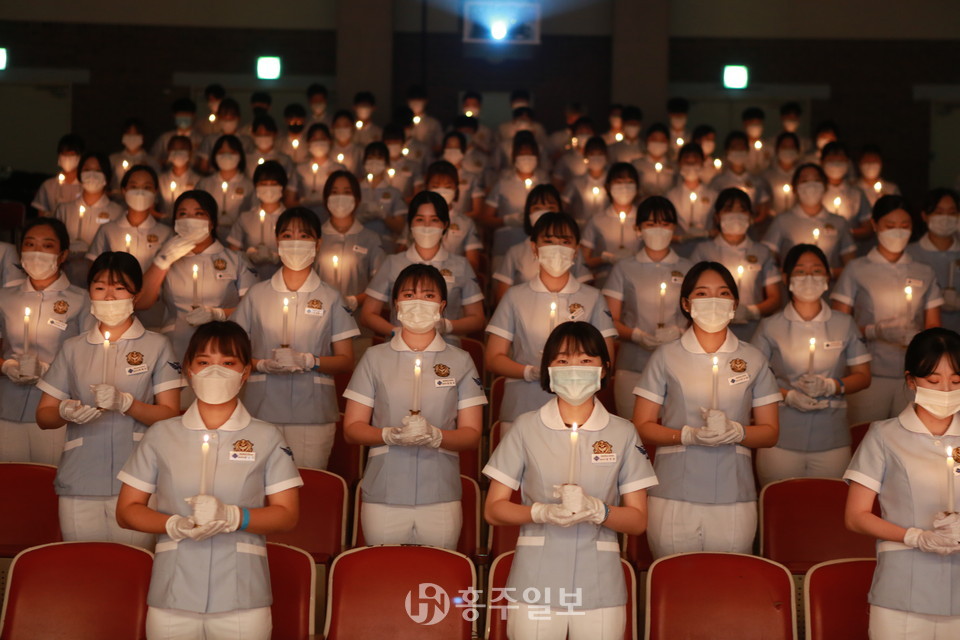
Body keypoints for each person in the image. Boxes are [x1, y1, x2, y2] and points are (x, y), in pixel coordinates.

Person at [116, 321, 302, 640]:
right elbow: (127, 510)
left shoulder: (267, 436)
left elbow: (287, 514)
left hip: (243, 597)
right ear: (188, 370)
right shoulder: (161, 434)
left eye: (228, 363)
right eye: (204, 362)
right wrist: (172, 524)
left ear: (245, 373)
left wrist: (234, 516)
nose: (215, 372)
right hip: (172, 595)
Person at [483, 321, 656, 639]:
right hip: (535, 581)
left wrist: (598, 511)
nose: (574, 368)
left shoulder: (622, 432)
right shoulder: (525, 427)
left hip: (600, 584)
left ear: (604, 369)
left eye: (586, 360)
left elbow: (638, 520)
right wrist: (541, 512)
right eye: (563, 360)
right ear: (548, 368)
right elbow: (493, 509)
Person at [632, 261, 780, 558]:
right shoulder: (666, 356)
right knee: (674, 583)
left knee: (727, 587)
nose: (713, 301)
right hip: (674, 492)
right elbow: (642, 424)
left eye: (723, 293)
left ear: (735, 303)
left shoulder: (753, 358)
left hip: (734, 494)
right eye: (702, 293)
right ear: (686, 303)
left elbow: (770, 433)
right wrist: (687, 436)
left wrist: (737, 431)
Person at [35, 252, 183, 545]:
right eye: (100, 287)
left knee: (131, 567)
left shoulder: (156, 346)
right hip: (80, 476)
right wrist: (64, 411)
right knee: (83, 566)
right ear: (89, 291)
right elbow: (44, 416)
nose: (109, 295)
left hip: (137, 477)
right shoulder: (73, 348)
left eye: (119, 287)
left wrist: (127, 404)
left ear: (136, 294)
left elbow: (170, 414)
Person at [343, 263, 486, 548]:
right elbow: (352, 429)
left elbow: (471, 433)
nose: (418, 302)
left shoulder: (460, 360)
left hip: (441, 493)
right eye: (409, 294)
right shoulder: (375, 358)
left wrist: (437, 436)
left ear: (442, 306)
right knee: (385, 577)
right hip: (384, 490)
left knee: (438, 580)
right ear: (396, 304)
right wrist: (389, 435)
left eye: (428, 296)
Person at [844, 328, 960, 640]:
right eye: (934, 381)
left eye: (956, 381)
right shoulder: (884, 436)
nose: (946, 389)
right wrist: (915, 536)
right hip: (902, 590)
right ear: (911, 381)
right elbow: (856, 516)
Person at [232, 207, 358, 469]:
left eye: (304, 236)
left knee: (308, 486)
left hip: (312, 413)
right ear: (277, 242)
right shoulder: (256, 295)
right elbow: (235, 354)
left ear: (318, 244)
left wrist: (310, 360)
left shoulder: (331, 297)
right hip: (262, 408)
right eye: (287, 235)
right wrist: (261, 364)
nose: (295, 242)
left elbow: (346, 360)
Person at [752, 244, 872, 486]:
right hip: (781, 435)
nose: (809, 278)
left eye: (817, 270)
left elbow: (863, 376)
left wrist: (831, 385)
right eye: (800, 271)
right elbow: (753, 379)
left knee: (827, 508)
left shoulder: (844, 323)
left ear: (828, 277)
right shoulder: (770, 326)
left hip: (832, 438)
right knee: (780, 505)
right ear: (786, 278)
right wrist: (787, 395)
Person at [486, 212, 617, 433]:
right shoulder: (515, 296)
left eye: (565, 242)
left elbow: (607, 359)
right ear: (534, 248)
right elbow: (493, 358)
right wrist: (530, 371)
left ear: (576, 250)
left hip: (578, 409)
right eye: (549, 241)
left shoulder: (593, 297)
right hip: (522, 403)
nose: (557, 248)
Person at [832, 195, 944, 424]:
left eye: (905, 226)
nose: (898, 232)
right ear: (874, 225)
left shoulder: (923, 271)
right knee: (865, 436)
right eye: (890, 226)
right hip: (867, 373)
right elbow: (838, 325)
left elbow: (934, 326)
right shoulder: (857, 269)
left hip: (912, 374)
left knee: (908, 438)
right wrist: (874, 331)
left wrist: (920, 338)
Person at [0, 218, 91, 464]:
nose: (37, 252)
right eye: (30, 244)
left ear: (63, 255)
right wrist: (5, 366)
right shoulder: (4, 297)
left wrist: (50, 372)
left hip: (56, 408)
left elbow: (91, 358)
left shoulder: (82, 300)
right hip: (6, 405)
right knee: (9, 484)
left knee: (51, 481)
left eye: (47, 246)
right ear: (20, 253)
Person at [138, 190, 257, 369]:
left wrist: (218, 314)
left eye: (199, 214)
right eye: (183, 214)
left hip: (221, 347)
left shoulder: (236, 260)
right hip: (175, 347)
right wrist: (162, 261)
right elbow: (142, 302)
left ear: (212, 222)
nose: (190, 219)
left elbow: (252, 310)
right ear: (175, 222)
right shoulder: (168, 259)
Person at [603, 196, 691, 417]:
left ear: (674, 228)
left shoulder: (689, 268)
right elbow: (608, 319)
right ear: (638, 229)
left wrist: (681, 332)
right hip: (633, 363)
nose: (658, 230)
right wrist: (636, 335)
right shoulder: (624, 268)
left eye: (665, 224)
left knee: (672, 432)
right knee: (633, 432)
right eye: (651, 224)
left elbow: (700, 317)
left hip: (679, 364)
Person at [360, 191, 485, 347]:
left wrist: (447, 326)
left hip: (446, 348)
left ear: (445, 224)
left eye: (434, 220)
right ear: (410, 224)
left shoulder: (461, 265)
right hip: (399, 347)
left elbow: (477, 318)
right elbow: (367, 315)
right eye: (420, 219)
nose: (426, 226)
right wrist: (395, 331)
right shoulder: (393, 263)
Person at [690, 188, 782, 341]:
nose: (735, 215)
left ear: (751, 217)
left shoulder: (762, 252)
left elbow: (775, 299)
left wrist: (751, 311)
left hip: (753, 331)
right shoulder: (703, 251)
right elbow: (691, 294)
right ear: (717, 217)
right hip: (711, 331)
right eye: (728, 210)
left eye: (742, 210)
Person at [493, 185, 593, 305]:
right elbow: (502, 299)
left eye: (550, 207)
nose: (544, 213)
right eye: (537, 208)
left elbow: (586, 294)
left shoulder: (571, 251)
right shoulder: (515, 252)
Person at [763, 163, 856, 277]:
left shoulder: (839, 222)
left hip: (830, 291)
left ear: (825, 186)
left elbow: (851, 265)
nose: (811, 186)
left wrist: (826, 273)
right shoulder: (782, 221)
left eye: (816, 180)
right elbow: (766, 260)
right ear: (794, 187)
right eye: (804, 181)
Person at [314, 171, 386, 316]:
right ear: (326, 199)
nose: (340, 198)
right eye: (334, 192)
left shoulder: (371, 239)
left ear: (357, 199)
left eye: (347, 192)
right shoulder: (315, 237)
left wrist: (355, 301)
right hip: (320, 316)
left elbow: (381, 285)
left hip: (358, 322)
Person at [87, 164, 173, 275]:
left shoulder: (165, 233)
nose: (140, 192)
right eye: (134, 187)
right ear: (123, 191)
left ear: (155, 192)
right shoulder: (108, 230)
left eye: (147, 187)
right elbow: (93, 267)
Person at [55, 151, 123, 286]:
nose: (92, 174)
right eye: (87, 169)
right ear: (80, 174)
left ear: (107, 176)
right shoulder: (64, 209)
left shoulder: (117, 212)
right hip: (67, 277)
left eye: (98, 170)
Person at [481, 130, 551, 260]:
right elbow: (485, 219)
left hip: (538, 252)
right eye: (522, 155)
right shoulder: (503, 184)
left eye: (530, 154)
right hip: (505, 247)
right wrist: (507, 220)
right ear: (514, 157)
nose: (526, 158)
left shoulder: (544, 187)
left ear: (538, 157)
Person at [581, 162, 643, 283]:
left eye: (629, 182)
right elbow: (584, 260)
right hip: (605, 281)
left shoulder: (644, 220)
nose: (624, 187)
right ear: (608, 186)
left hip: (637, 279)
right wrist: (605, 258)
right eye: (619, 182)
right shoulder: (597, 220)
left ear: (637, 187)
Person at [907, 189, 960, 332]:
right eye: (939, 212)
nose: (946, 218)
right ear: (925, 215)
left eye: (952, 212)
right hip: (922, 337)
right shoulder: (909, 254)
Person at [226, 161, 288, 281]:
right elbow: (232, 255)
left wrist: (277, 257)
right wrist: (247, 255)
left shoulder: (291, 219)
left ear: (283, 187)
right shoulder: (245, 218)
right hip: (251, 280)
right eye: (264, 184)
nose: (269, 188)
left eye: (274, 184)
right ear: (256, 187)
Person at [423, 160, 483, 272]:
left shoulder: (466, 223)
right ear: (427, 187)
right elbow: (403, 253)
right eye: (436, 186)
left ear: (456, 188)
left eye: (447, 187)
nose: (442, 191)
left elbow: (473, 263)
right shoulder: (417, 220)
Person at [196, 134, 255, 236]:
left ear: (240, 156)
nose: (226, 156)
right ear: (214, 156)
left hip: (239, 236)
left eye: (232, 152)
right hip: (208, 235)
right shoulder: (204, 184)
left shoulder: (248, 185)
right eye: (222, 152)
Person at [666, 143, 720, 255]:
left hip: (706, 251)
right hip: (680, 251)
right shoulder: (671, 196)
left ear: (703, 163)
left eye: (695, 161)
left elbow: (718, 228)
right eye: (687, 162)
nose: (691, 165)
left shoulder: (713, 195)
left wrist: (706, 233)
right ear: (679, 163)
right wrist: (680, 238)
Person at [709, 131, 772, 222]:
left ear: (747, 150)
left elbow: (763, 208)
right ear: (727, 151)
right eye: (734, 148)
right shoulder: (718, 182)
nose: (738, 151)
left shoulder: (757, 181)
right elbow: (712, 209)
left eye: (741, 148)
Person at [820, 141, 872, 240]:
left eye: (840, 160)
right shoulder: (815, 192)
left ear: (848, 163)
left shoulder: (857, 193)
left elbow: (868, 229)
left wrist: (845, 233)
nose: (836, 164)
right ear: (822, 162)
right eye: (831, 160)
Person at [294, 123, 346, 208]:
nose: (318, 142)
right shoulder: (300, 169)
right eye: (314, 139)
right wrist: (303, 202)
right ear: (308, 143)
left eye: (322, 138)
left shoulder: (339, 168)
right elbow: (289, 200)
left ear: (330, 141)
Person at [562, 136, 610, 227]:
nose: (596, 158)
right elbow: (563, 204)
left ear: (606, 156)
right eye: (592, 154)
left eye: (600, 154)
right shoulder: (576, 182)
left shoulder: (612, 182)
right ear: (585, 157)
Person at [32, 134, 84, 217]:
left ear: (80, 157)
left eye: (71, 155)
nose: (67, 158)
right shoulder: (48, 185)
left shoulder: (86, 186)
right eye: (64, 154)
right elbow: (41, 214)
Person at [157, 135, 200, 220]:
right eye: (174, 149)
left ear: (190, 153)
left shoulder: (198, 180)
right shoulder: (160, 179)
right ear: (168, 152)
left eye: (182, 149)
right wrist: (163, 216)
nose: (178, 152)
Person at [762, 132, 803, 215]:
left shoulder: (802, 175)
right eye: (784, 147)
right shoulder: (767, 176)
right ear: (777, 150)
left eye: (791, 147)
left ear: (798, 151)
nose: (788, 150)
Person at [110, 121, 157, 190]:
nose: (132, 137)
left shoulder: (152, 161)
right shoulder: (113, 160)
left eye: (136, 134)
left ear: (142, 137)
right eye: (129, 134)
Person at [631, 124, 674, 197]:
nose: (658, 142)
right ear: (647, 141)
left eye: (662, 140)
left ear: (668, 143)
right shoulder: (637, 164)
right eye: (654, 139)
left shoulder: (674, 166)